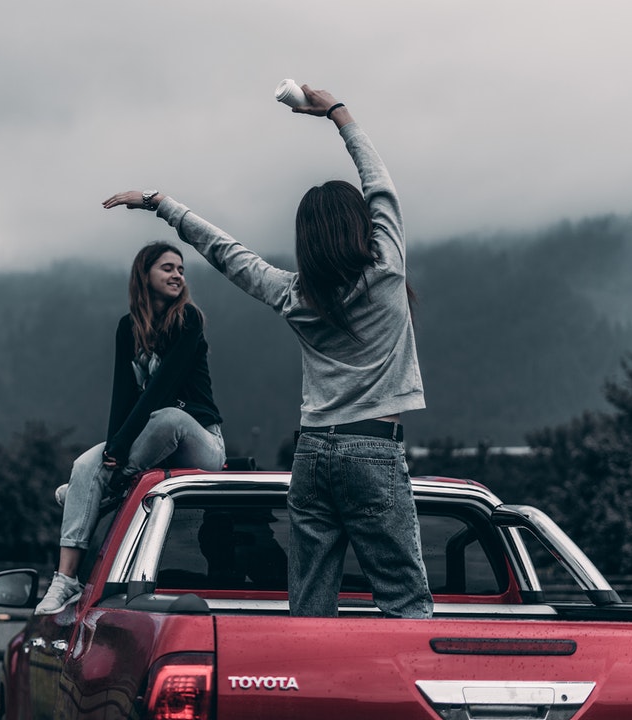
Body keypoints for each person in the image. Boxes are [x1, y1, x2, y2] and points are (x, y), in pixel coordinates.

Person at [103, 85, 433, 618]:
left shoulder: (291, 294)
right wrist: (336, 113)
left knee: (309, 603)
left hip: (312, 456)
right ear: (362, 228)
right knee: (404, 601)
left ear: (306, 240)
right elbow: (382, 188)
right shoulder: (387, 273)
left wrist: (163, 206)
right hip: (373, 448)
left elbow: (227, 253)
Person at [34, 241, 226, 615]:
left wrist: (120, 449)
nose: (177, 275)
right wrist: (110, 450)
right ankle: (65, 578)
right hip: (147, 438)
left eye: (180, 269)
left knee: (165, 417)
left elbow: (160, 391)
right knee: (84, 467)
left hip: (199, 441)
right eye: (167, 268)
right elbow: (122, 400)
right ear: (145, 274)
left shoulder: (187, 319)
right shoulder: (128, 328)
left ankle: (100, 494)